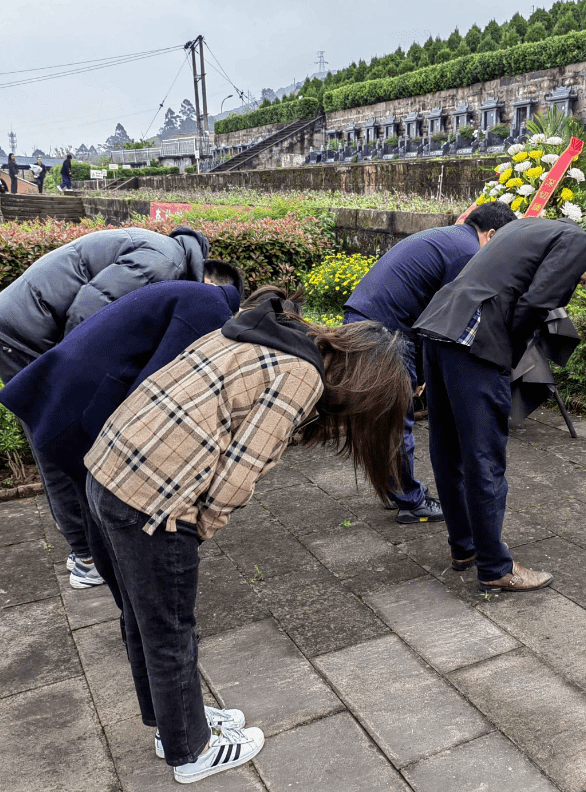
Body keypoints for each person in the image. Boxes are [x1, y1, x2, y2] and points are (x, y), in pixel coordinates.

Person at [84, 298, 411, 783]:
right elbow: (238, 474)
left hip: (108, 469)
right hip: (153, 498)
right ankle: (190, 751)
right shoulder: (302, 375)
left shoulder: (260, 333)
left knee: (143, 617)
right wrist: (198, 529)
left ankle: (173, 722)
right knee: (172, 628)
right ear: (363, 379)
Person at [0, 226, 212, 588]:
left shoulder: (161, 250)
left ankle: (83, 550)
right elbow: (87, 315)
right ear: (207, 278)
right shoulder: (164, 262)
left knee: (64, 444)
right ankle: (86, 556)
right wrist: (79, 383)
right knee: (61, 448)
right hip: (24, 336)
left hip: (23, 330)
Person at [414, 218, 586, 593]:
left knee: (447, 448)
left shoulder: (528, 226)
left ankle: (465, 548)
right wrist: (508, 354)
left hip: (440, 327)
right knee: (484, 457)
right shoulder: (580, 242)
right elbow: (537, 301)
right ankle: (496, 568)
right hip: (476, 341)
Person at [342, 201, 515, 523]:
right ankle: (410, 501)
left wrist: (421, 370)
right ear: (491, 235)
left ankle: (396, 490)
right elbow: (440, 319)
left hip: (366, 320)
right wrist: (425, 371)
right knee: (396, 420)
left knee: (386, 419)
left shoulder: (448, 237)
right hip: (384, 332)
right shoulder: (467, 253)